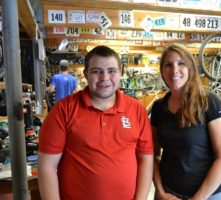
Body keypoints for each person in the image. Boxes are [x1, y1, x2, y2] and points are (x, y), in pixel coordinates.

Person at [38, 46, 154, 200]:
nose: (104, 78)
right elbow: (47, 166)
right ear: (85, 74)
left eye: (111, 71)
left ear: (120, 73)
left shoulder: (137, 109)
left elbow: (145, 159)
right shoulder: (63, 110)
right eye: (96, 71)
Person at [151, 44, 221, 200]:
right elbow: (153, 155)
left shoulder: (208, 101)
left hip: (208, 195)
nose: (174, 70)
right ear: (162, 71)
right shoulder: (158, 107)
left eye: (181, 63)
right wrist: (161, 193)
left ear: (190, 68)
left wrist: (198, 198)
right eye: (168, 65)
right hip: (168, 194)